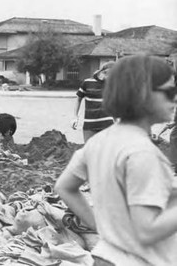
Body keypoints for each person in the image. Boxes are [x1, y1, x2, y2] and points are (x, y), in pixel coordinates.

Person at [55, 55, 177, 266]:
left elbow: (64, 187)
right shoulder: (142, 153)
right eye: (168, 92)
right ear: (142, 95)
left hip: (105, 255)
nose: (174, 99)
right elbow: (147, 231)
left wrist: (100, 226)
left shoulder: (99, 142)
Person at [72, 61, 115, 142]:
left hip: (107, 125)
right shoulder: (87, 83)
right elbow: (78, 99)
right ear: (105, 72)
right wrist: (75, 117)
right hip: (89, 126)